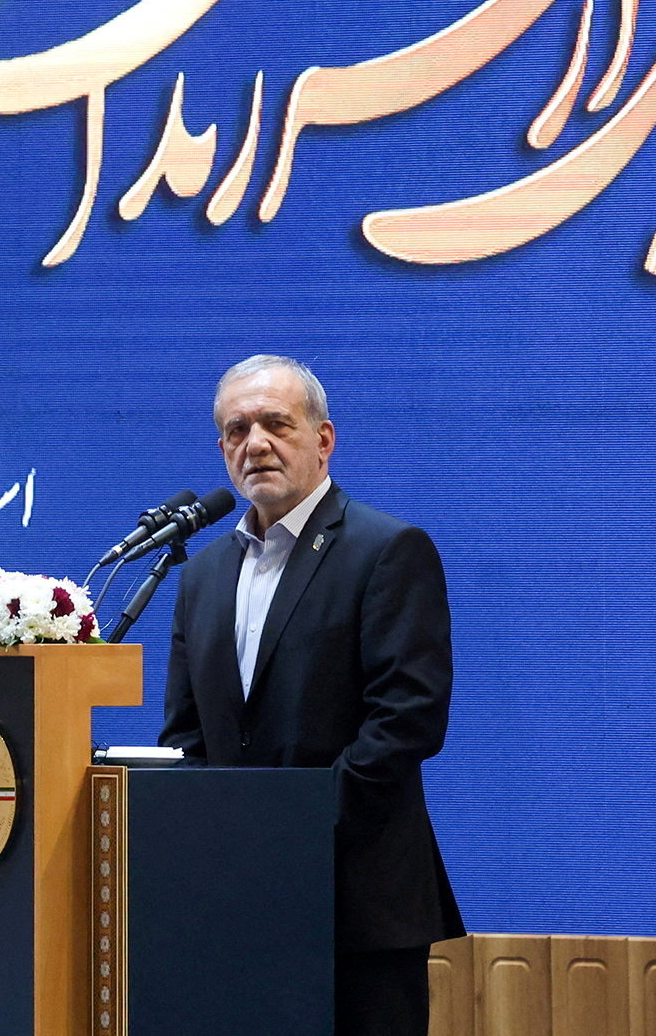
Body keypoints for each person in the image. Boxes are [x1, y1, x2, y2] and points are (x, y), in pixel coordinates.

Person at [160, 354, 465, 1036]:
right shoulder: (201, 576)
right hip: (237, 906)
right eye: (237, 430)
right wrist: (218, 839)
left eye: (276, 424)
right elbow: (186, 735)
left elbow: (407, 721)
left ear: (323, 440)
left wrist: (293, 830)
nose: (255, 444)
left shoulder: (387, 550)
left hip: (356, 903)